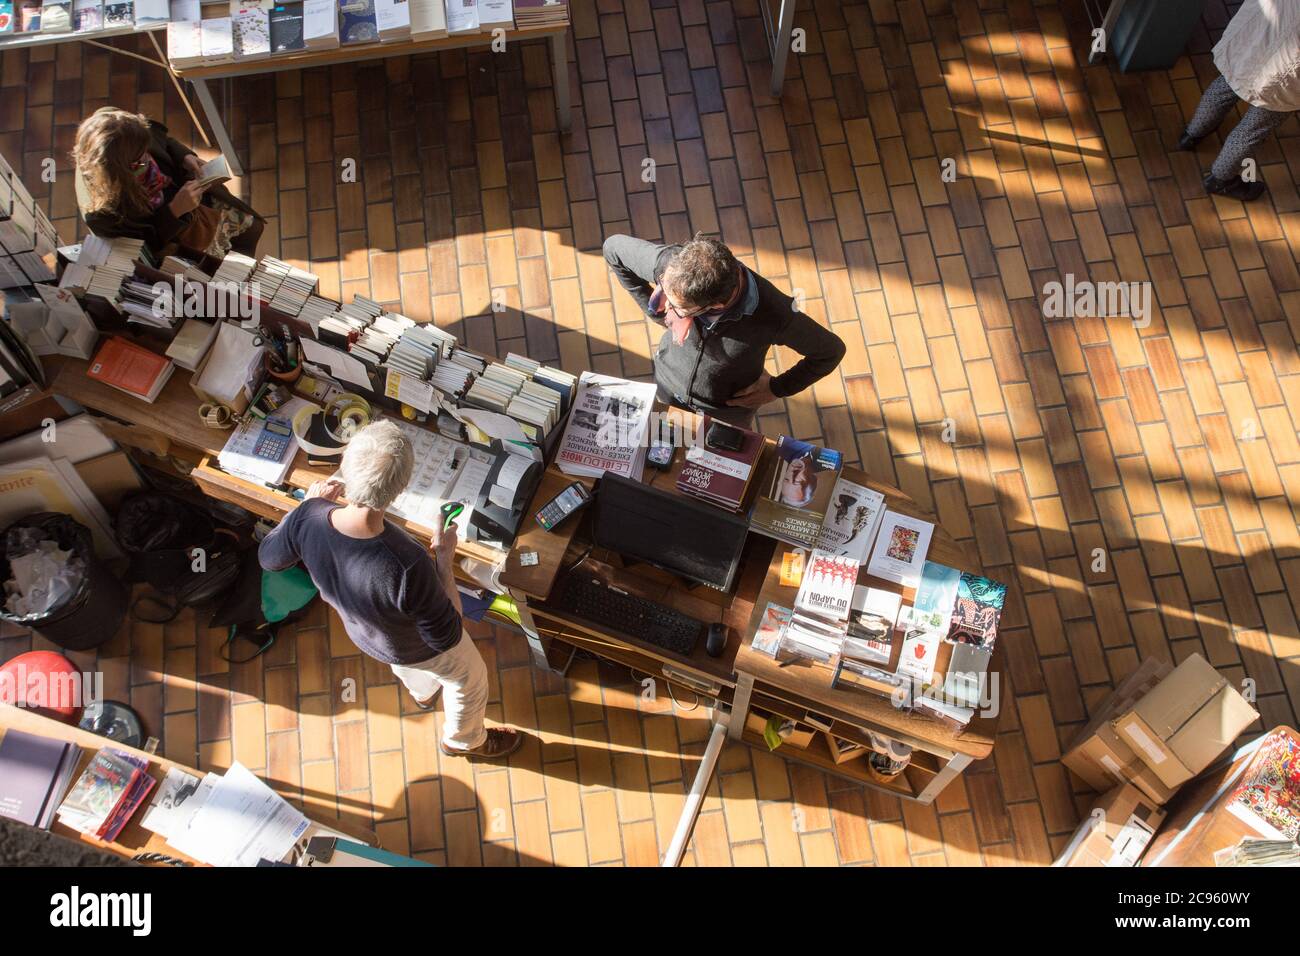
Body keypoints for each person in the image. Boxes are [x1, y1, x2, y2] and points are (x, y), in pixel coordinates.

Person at [258, 421, 523, 760]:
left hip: (370, 636)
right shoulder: (407, 561)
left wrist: (304, 507)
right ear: (399, 491)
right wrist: (443, 558)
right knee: (469, 679)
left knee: (408, 663)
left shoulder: (308, 516)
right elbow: (448, 634)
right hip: (416, 643)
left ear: (347, 469)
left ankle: (423, 694)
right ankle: (464, 740)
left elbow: (270, 558)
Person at [602, 233, 846, 428]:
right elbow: (613, 248)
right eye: (663, 290)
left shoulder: (774, 313)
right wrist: (656, 313)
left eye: (678, 307)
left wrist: (777, 388)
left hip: (725, 411)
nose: (663, 303)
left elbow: (830, 351)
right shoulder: (672, 267)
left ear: (716, 305)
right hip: (667, 382)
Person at [72, 107, 265, 259]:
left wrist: (185, 156)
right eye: (140, 160)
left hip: (192, 198)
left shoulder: (118, 124)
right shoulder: (103, 215)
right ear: (120, 172)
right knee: (228, 266)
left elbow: (164, 141)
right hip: (178, 235)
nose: (149, 157)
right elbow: (145, 249)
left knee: (253, 227)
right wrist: (174, 211)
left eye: (147, 150)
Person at [1179, 0, 1300, 201]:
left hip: (1253, 40)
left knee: (1225, 86)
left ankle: (1192, 134)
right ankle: (1221, 180)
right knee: (1254, 129)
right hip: (1285, 73)